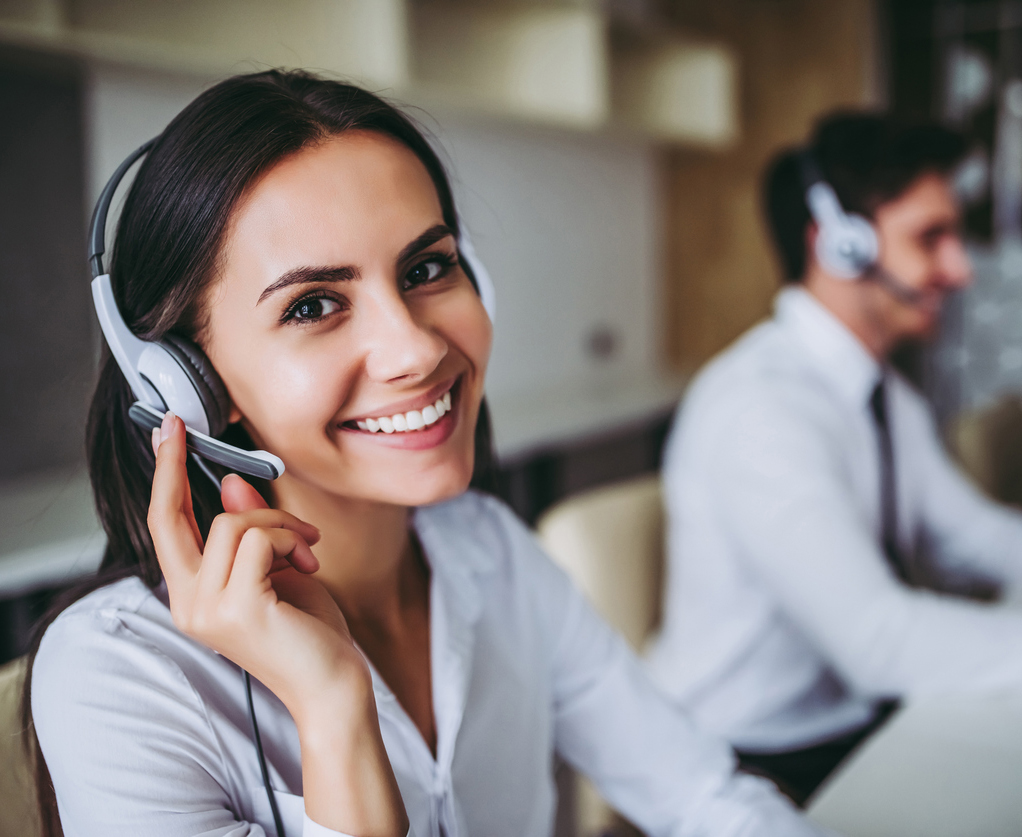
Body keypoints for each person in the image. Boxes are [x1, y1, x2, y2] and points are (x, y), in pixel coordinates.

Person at [24, 71, 825, 837]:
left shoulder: (492, 555)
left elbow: (703, 796)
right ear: (186, 383)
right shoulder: (119, 677)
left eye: (427, 267)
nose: (413, 347)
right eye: (313, 305)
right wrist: (333, 706)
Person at [646, 111, 1022, 806]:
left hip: (846, 723)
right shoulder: (761, 409)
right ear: (839, 245)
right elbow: (879, 640)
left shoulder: (883, 394)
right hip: (747, 758)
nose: (961, 268)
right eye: (930, 237)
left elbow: (973, 536)